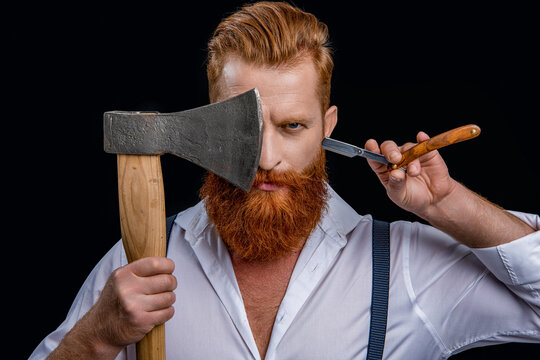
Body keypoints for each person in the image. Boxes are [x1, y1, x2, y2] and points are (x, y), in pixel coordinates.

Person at [30, 2, 539, 359]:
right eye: (244, 128)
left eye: (292, 126)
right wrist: (96, 338)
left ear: (328, 127)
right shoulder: (139, 261)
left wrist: (448, 208)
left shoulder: (403, 266)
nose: (267, 158)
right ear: (209, 121)